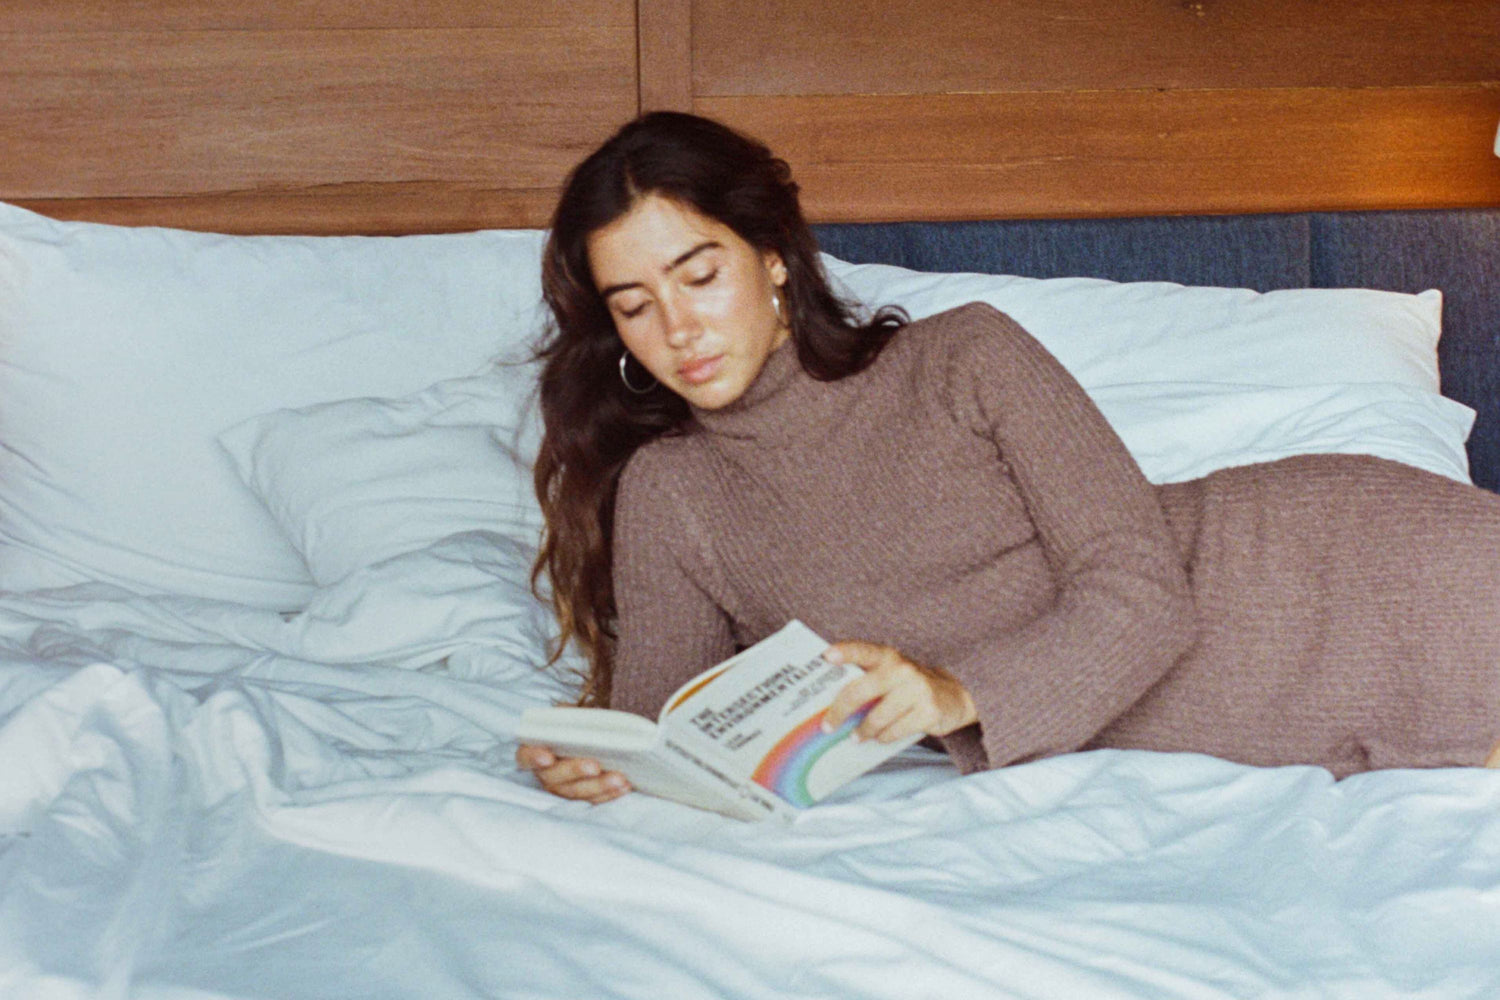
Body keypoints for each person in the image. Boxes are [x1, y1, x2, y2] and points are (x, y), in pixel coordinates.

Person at [517, 111, 1500, 805]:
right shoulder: (674, 491)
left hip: (1351, 567)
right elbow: (669, 732)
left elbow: (1144, 593)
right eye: (635, 305)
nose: (679, 328)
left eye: (699, 275)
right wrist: (598, 766)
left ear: (771, 254)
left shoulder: (965, 356)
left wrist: (956, 693)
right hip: (1268, 713)